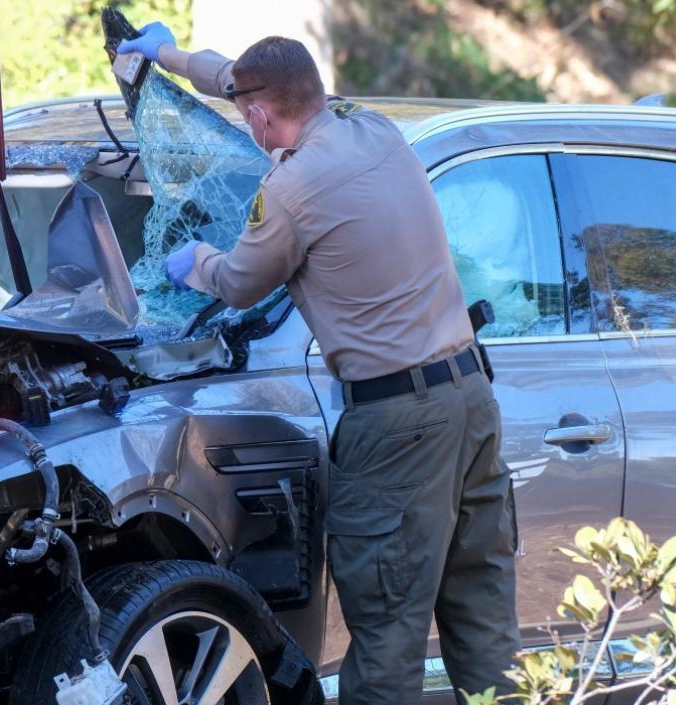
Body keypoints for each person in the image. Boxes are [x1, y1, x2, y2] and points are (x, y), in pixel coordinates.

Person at [118, 23, 519, 704]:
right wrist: (168, 57)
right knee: (487, 640)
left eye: (248, 113)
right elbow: (240, 81)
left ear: (259, 115)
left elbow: (243, 283)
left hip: (396, 428)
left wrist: (196, 264)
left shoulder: (293, 190)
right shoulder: (373, 129)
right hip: (471, 401)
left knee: (387, 648)